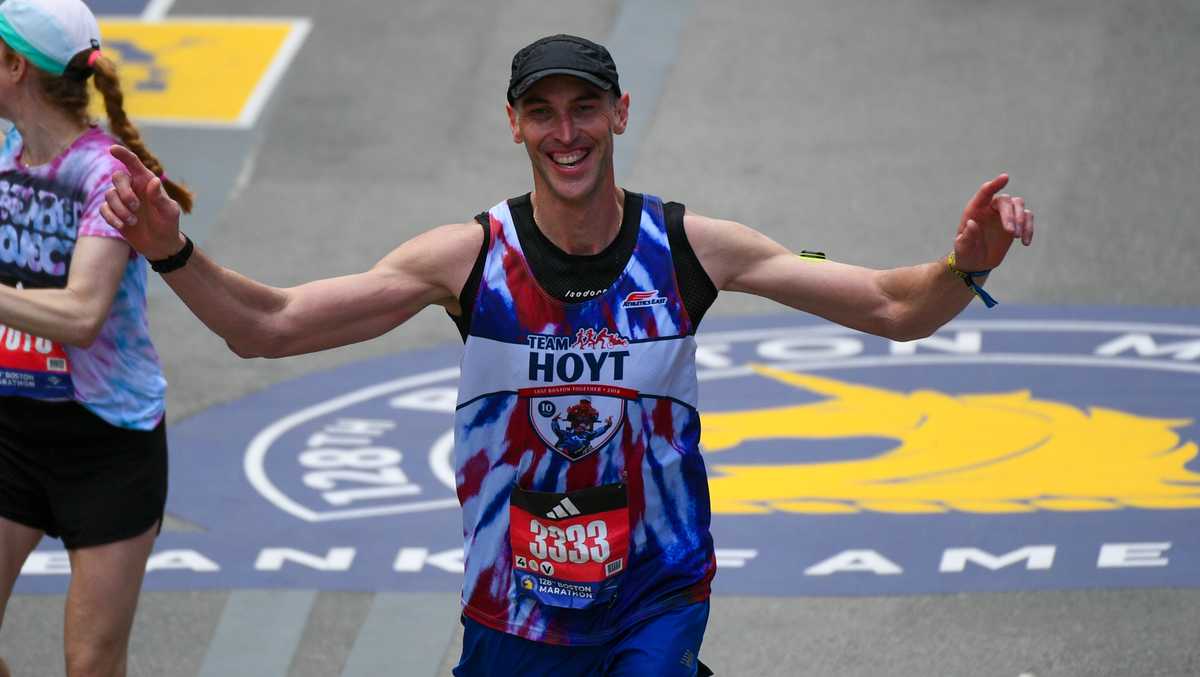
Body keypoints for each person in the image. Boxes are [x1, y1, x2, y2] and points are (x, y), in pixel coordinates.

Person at [100, 33, 1034, 677]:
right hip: (514, 609)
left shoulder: (690, 250)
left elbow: (890, 307)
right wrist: (172, 249)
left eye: (584, 109)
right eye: (541, 113)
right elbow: (268, 325)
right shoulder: (467, 260)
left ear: (621, 112)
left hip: (654, 596)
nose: (566, 133)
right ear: (514, 124)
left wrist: (965, 263)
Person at [0, 1, 193, 675]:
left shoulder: (104, 175)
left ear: (15, 66)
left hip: (106, 443)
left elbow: (83, 314)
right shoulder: (2, 154)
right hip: (10, 430)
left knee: (90, 664)